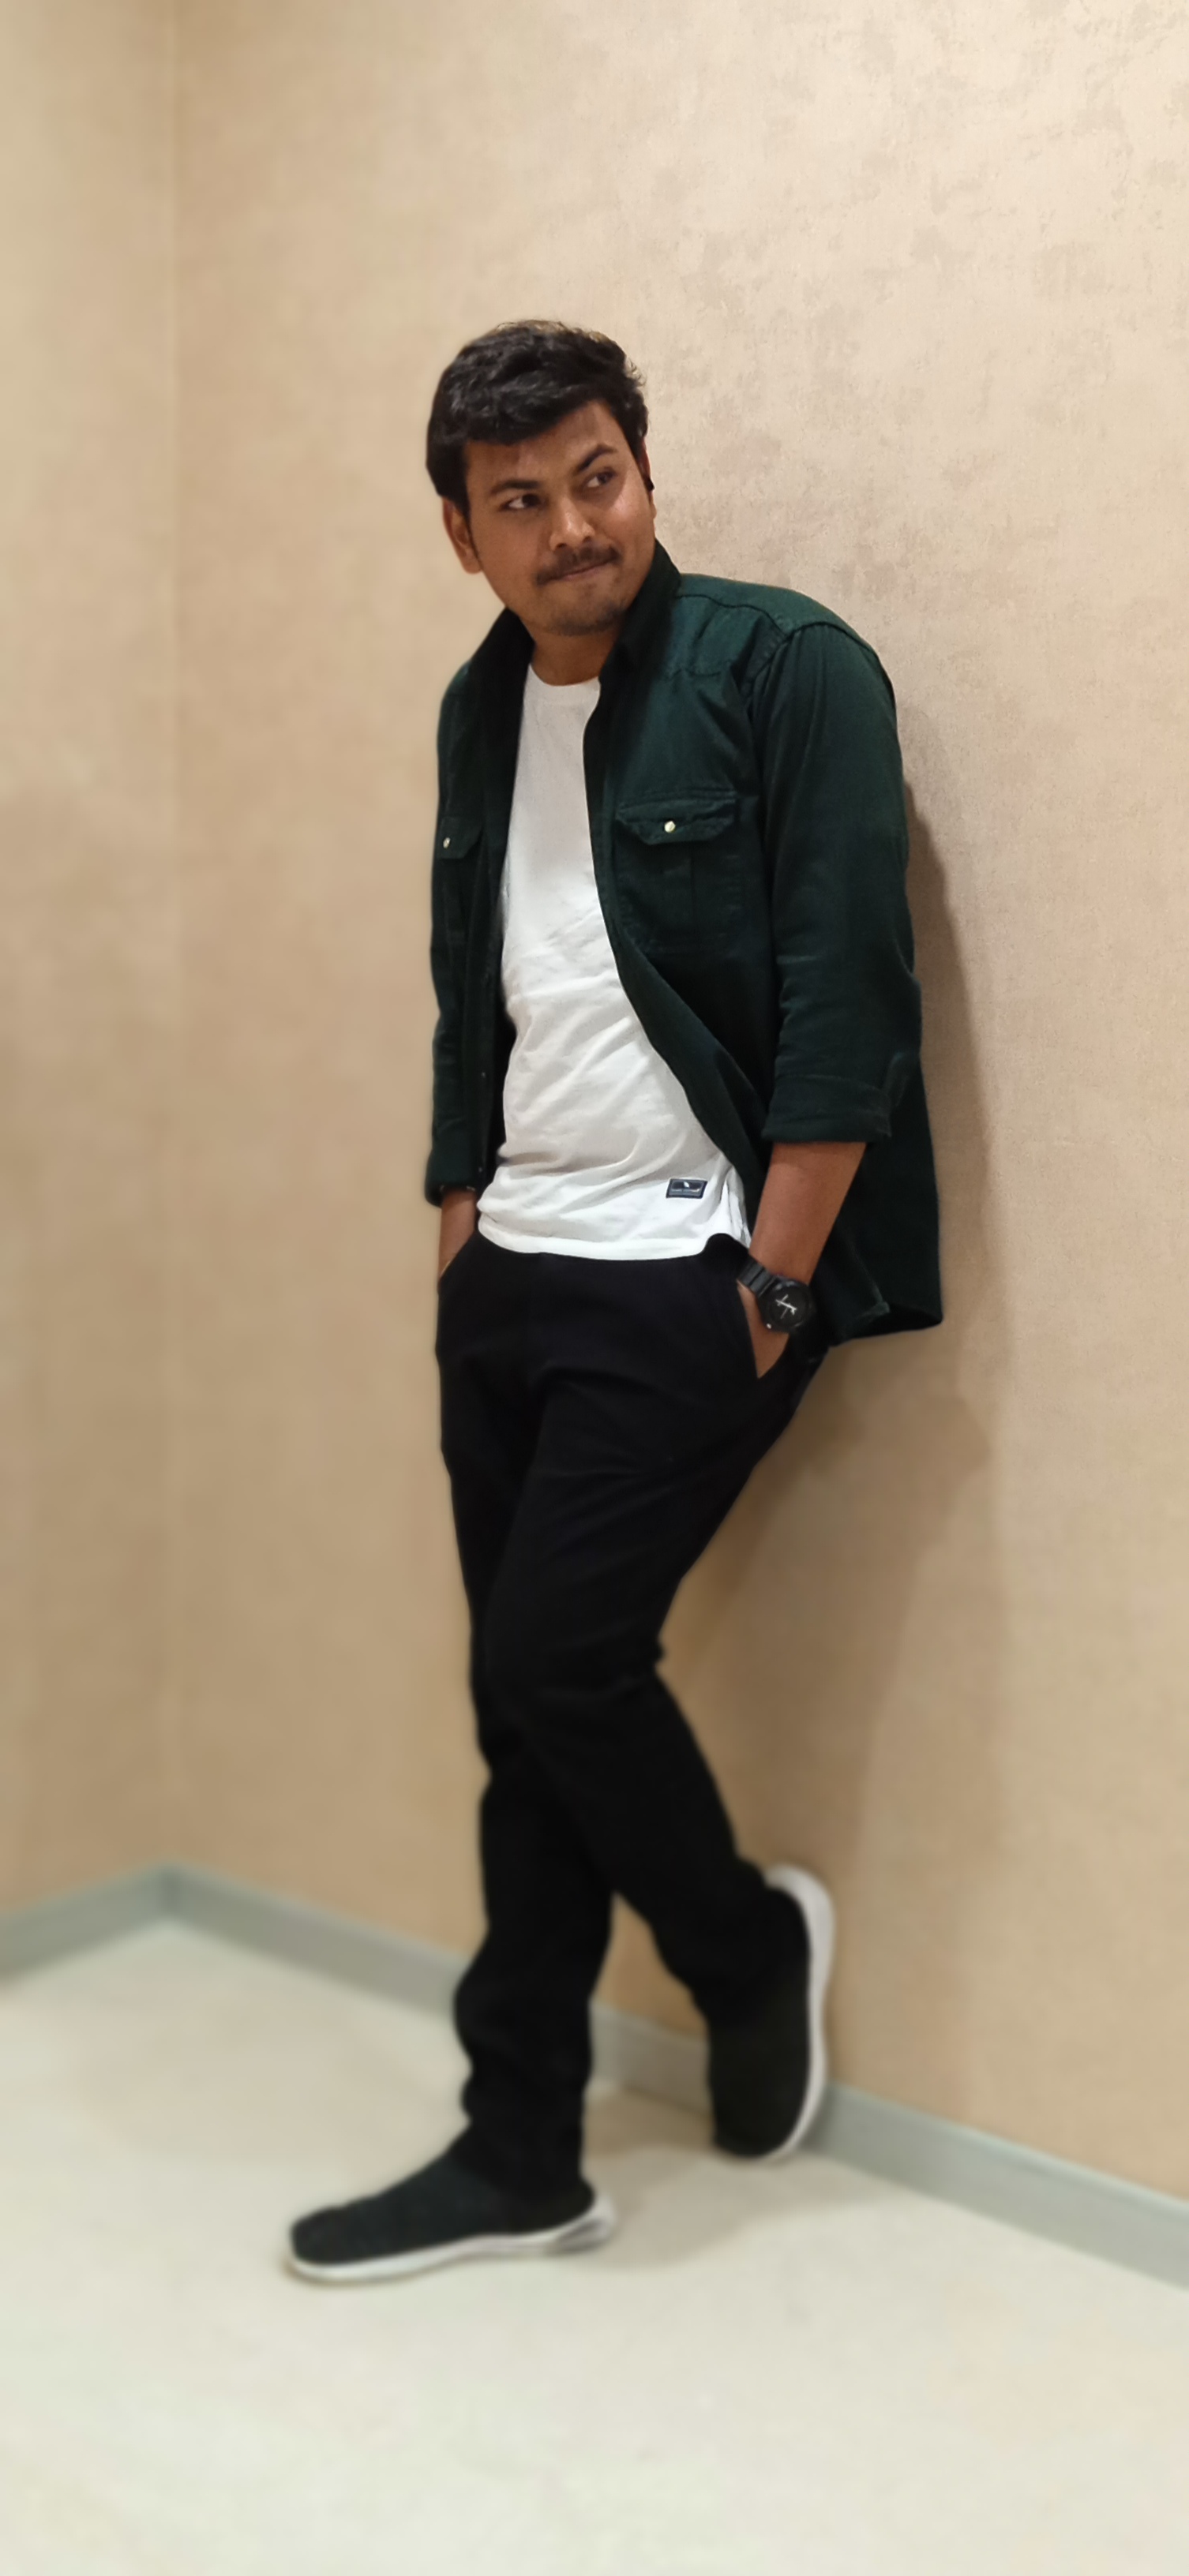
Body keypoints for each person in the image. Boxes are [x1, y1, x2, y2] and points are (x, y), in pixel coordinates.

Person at [289, 322, 940, 2284]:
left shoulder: (785, 669)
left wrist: (776, 1280)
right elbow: (466, 989)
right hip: (512, 1270)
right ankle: (521, 2148)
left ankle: (739, 1951)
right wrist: (456, 1223)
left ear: (643, 472)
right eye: (523, 500)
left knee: (554, 1664)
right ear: (462, 535)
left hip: (695, 1271)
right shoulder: (478, 711)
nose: (575, 526)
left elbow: (847, 992)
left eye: (599, 477)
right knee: (523, 1706)